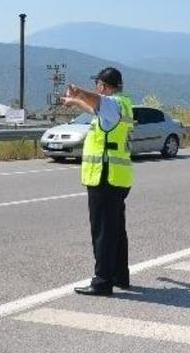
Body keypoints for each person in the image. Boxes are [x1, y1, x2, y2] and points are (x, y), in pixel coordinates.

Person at [62, 67, 134, 297]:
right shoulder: (122, 105)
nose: (96, 88)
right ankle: (120, 275)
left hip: (104, 175)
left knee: (102, 230)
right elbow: (96, 109)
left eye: (97, 85)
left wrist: (78, 92)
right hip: (118, 177)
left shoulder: (111, 104)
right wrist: (75, 102)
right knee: (116, 230)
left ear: (103, 86)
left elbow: (98, 103)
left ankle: (102, 281)